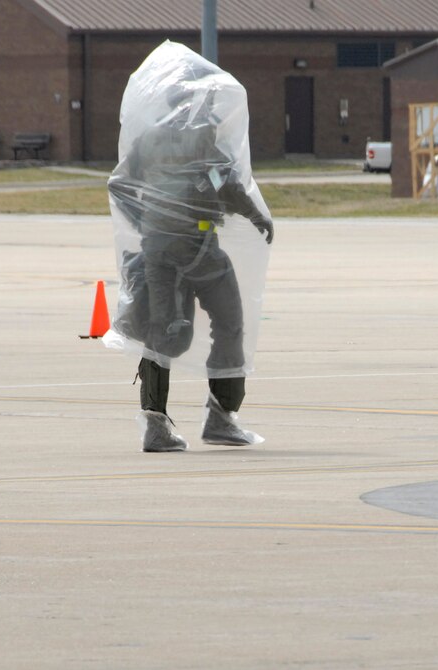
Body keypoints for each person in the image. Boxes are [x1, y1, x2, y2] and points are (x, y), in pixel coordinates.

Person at [106, 41, 273, 452]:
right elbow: (227, 184)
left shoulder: (151, 137)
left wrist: (147, 225)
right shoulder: (201, 136)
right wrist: (257, 215)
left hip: (160, 248)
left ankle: (156, 425)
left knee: (163, 333)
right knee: (231, 321)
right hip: (198, 249)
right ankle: (220, 416)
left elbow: (121, 184)